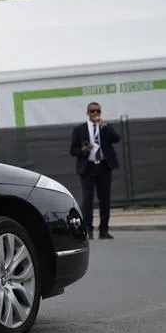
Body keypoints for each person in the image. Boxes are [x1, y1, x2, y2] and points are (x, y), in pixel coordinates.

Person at [70, 101, 121, 240]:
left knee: (105, 199)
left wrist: (106, 127)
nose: (95, 114)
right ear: (88, 112)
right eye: (92, 111)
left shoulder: (105, 127)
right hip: (88, 167)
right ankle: (88, 229)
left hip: (104, 166)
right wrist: (83, 149)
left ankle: (104, 230)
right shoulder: (80, 129)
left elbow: (117, 139)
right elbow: (73, 150)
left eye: (98, 111)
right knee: (88, 199)